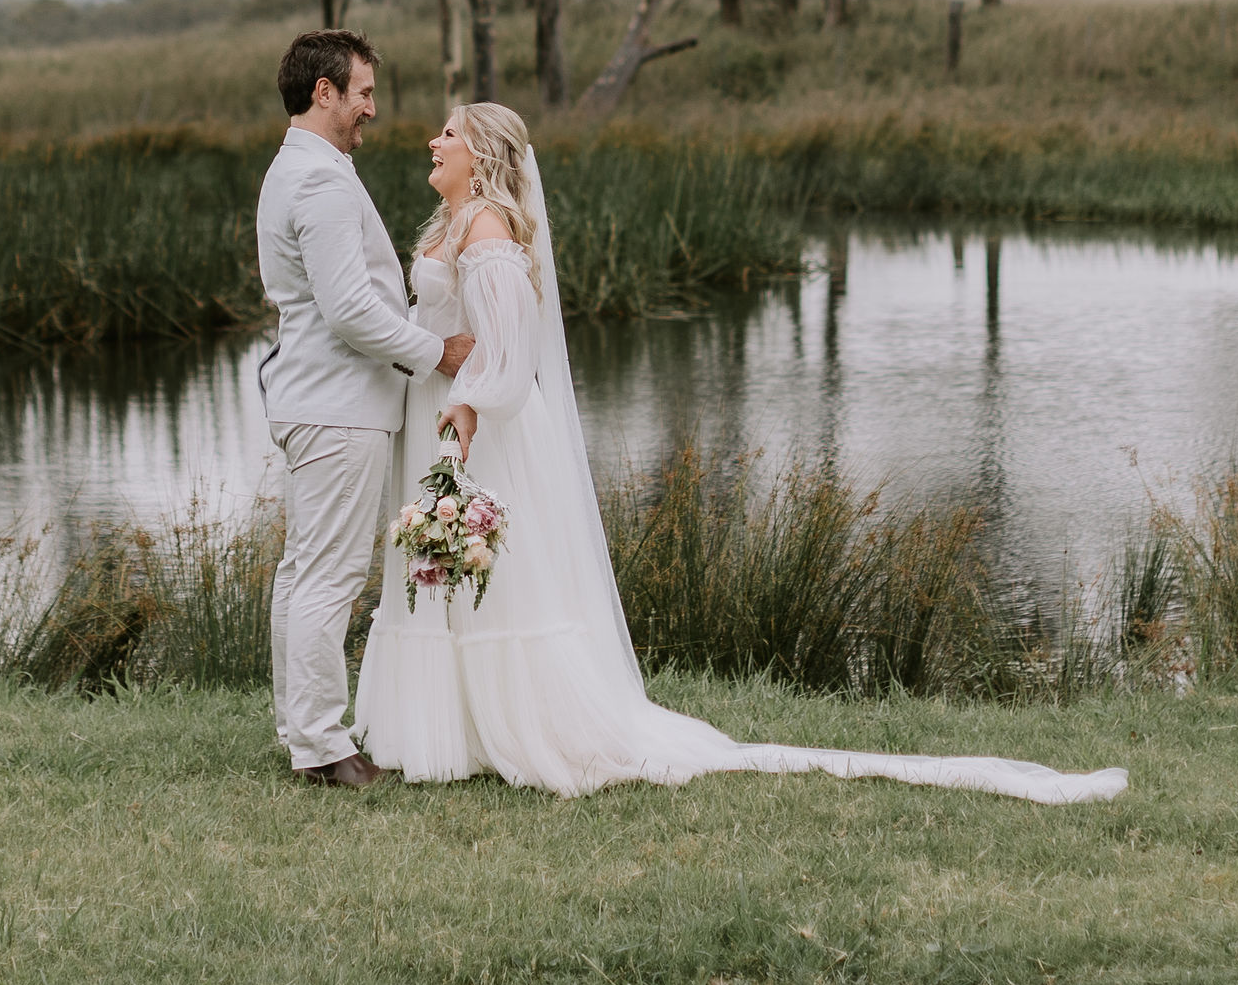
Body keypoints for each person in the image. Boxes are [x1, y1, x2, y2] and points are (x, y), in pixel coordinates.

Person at [355, 101, 1128, 808]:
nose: (434, 140)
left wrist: (468, 401)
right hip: (441, 413)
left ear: (482, 153)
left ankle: (510, 727)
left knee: (489, 575)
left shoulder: (489, 231)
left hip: (479, 425)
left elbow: (513, 354)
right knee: (439, 572)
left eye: (449, 134)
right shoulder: (449, 225)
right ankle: (449, 731)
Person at [254, 28, 471, 786]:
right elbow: (349, 310)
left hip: (317, 399)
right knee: (328, 577)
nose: (372, 109)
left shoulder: (302, 169)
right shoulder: (318, 180)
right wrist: (435, 351)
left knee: (303, 572)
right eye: (365, 92)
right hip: (339, 405)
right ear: (325, 92)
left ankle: (301, 731)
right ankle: (321, 747)